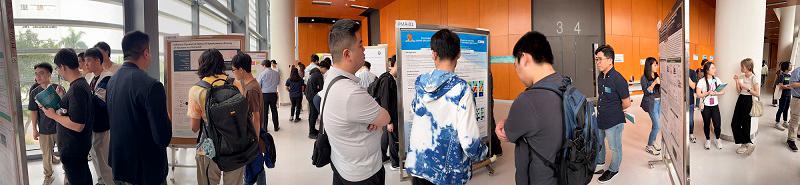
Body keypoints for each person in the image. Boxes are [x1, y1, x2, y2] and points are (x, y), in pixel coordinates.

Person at [405, 29, 487, 185]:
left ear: (434, 54)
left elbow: (415, 110)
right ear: (459, 54)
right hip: (447, 174)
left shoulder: (420, 82)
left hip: (419, 166)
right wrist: (483, 153)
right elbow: (468, 141)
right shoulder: (462, 89)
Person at [323, 19, 391, 185]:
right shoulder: (350, 93)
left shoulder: (331, 77)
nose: (364, 49)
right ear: (347, 54)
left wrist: (372, 116)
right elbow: (385, 117)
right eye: (360, 45)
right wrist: (375, 118)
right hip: (363, 174)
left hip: (342, 164)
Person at [494, 31, 563, 185]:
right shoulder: (567, 86)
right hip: (567, 174)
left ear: (524, 59)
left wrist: (504, 124)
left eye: (515, 65)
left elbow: (508, 134)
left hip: (541, 179)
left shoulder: (527, 101)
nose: (517, 73)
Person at [107, 31, 172, 185]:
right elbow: (162, 138)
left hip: (120, 164)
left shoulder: (113, 80)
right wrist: (167, 119)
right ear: (146, 53)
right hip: (145, 169)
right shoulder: (152, 86)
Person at [188, 49, 245, 185]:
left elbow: (195, 128)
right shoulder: (235, 83)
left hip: (208, 144)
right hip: (235, 143)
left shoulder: (196, 90)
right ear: (221, 64)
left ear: (202, 65)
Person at [42, 48, 94, 185]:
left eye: (58, 69)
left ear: (63, 67)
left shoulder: (77, 89)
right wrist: (61, 99)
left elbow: (77, 125)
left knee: (79, 180)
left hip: (74, 148)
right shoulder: (79, 85)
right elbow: (74, 113)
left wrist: (53, 115)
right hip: (77, 146)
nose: (58, 72)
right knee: (83, 177)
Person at [593, 44, 630, 183]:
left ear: (610, 60)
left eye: (600, 59)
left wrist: (613, 111)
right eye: (596, 59)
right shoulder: (601, 77)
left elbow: (627, 103)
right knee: (599, 142)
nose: (597, 62)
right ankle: (600, 164)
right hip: (601, 118)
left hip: (614, 121)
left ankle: (614, 169)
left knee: (614, 147)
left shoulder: (619, 79)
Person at [231, 53, 266, 185]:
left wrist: (255, 142)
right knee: (258, 169)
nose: (233, 73)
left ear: (241, 69)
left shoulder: (251, 89)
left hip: (252, 137)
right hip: (252, 136)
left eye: (234, 70)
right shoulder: (249, 84)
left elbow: (256, 117)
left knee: (253, 171)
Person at [28, 62, 64, 185]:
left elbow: (65, 108)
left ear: (49, 74)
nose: (38, 76)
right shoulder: (34, 92)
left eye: (41, 73)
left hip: (60, 127)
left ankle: (67, 176)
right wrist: (34, 129)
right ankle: (48, 176)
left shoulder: (58, 88)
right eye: (36, 74)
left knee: (64, 152)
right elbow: (33, 112)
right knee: (46, 154)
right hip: (44, 129)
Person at [83, 48, 114, 185]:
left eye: (88, 60)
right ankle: (101, 181)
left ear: (97, 60)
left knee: (103, 158)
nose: (86, 64)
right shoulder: (90, 78)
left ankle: (109, 182)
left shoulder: (107, 77)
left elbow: (99, 101)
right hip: (92, 123)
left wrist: (85, 92)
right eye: (85, 61)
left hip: (102, 123)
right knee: (95, 155)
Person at [370, 55, 400, 170]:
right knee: (393, 137)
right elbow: (385, 101)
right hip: (389, 116)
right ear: (396, 64)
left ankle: (382, 157)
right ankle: (395, 163)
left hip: (387, 115)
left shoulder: (388, 78)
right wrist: (390, 121)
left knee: (386, 136)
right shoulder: (387, 80)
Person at [731, 58, 759, 155]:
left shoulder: (753, 78)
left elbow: (757, 94)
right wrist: (736, 81)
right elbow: (738, 91)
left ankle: (744, 144)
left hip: (748, 101)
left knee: (746, 124)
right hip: (741, 99)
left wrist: (748, 89)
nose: (741, 68)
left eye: (742, 66)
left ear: (749, 67)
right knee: (734, 123)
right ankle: (747, 143)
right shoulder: (742, 76)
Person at [696, 62, 724, 150]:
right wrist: (706, 93)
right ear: (707, 70)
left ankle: (717, 139)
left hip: (715, 106)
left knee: (717, 124)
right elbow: (698, 94)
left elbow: (723, 92)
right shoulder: (701, 81)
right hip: (706, 106)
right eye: (713, 68)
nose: (715, 69)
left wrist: (716, 93)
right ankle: (708, 140)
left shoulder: (717, 80)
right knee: (706, 124)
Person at [640, 57, 662, 155]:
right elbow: (646, 92)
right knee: (657, 126)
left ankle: (652, 142)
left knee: (655, 125)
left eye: (657, 64)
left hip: (659, 102)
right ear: (649, 66)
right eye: (655, 64)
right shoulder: (644, 77)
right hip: (651, 104)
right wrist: (654, 83)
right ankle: (649, 146)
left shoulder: (657, 75)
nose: (657, 66)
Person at [305, 58, 330, 139]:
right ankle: (311, 133)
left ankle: (312, 130)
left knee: (312, 113)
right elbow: (322, 88)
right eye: (325, 70)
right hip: (313, 96)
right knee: (314, 114)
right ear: (323, 68)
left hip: (309, 95)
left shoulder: (314, 72)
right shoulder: (318, 75)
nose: (325, 72)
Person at [257, 59, 281, 131]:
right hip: (273, 94)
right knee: (274, 110)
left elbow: (258, 85)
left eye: (262, 66)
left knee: (265, 112)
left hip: (265, 95)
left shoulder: (262, 74)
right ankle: (276, 127)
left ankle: (265, 128)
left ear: (264, 65)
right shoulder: (276, 73)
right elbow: (278, 82)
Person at [775, 61, 792, 131]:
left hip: (788, 95)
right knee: (781, 109)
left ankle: (785, 122)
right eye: (790, 65)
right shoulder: (782, 75)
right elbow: (781, 86)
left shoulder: (789, 75)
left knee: (786, 109)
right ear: (786, 67)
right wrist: (790, 87)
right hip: (783, 95)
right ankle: (777, 122)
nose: (791, 66)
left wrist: (790, 86)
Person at [688, 60, 701, 143]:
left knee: (690, 119)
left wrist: (686, 74)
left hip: (690, 100)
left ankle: (691, 134)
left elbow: (693, 86)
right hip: (678, 100)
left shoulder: (692, 72)